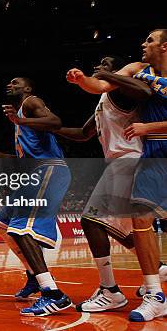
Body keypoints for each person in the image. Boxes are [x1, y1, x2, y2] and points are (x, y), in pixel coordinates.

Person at [66, 29, 167, 322]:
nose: (143, 43)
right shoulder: (137, 69)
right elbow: (101, 84)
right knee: (140, 220)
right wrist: (83, 80)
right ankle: (154, 294)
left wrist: (150, 128)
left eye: (149, 40)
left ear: (164, 46)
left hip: (150, 147)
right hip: (152, 156)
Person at [0, 77, 72, 316]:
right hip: (34, 173)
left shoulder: (32, 102)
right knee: (1, 223)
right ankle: (35, 275)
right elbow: (17, 161)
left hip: (50, 169)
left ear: (28, 88)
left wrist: (19, 119)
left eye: (16, 82)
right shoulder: (21, 124)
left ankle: (52, 294)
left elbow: (56, 122)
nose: (9, 84)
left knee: (21, 229)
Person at [56, 56, 152, 312]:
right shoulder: (103, 101)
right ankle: (158, 271)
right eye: (99, 62)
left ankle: (110, 290)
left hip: (129, 159)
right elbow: (83, 133)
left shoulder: (123, 91)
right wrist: (51, 130)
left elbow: (142, 91)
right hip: (119, 163)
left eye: (108, 62)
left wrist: (107, 76)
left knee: (90, 220)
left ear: (119, 70)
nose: (100, 64)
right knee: (128, 234)